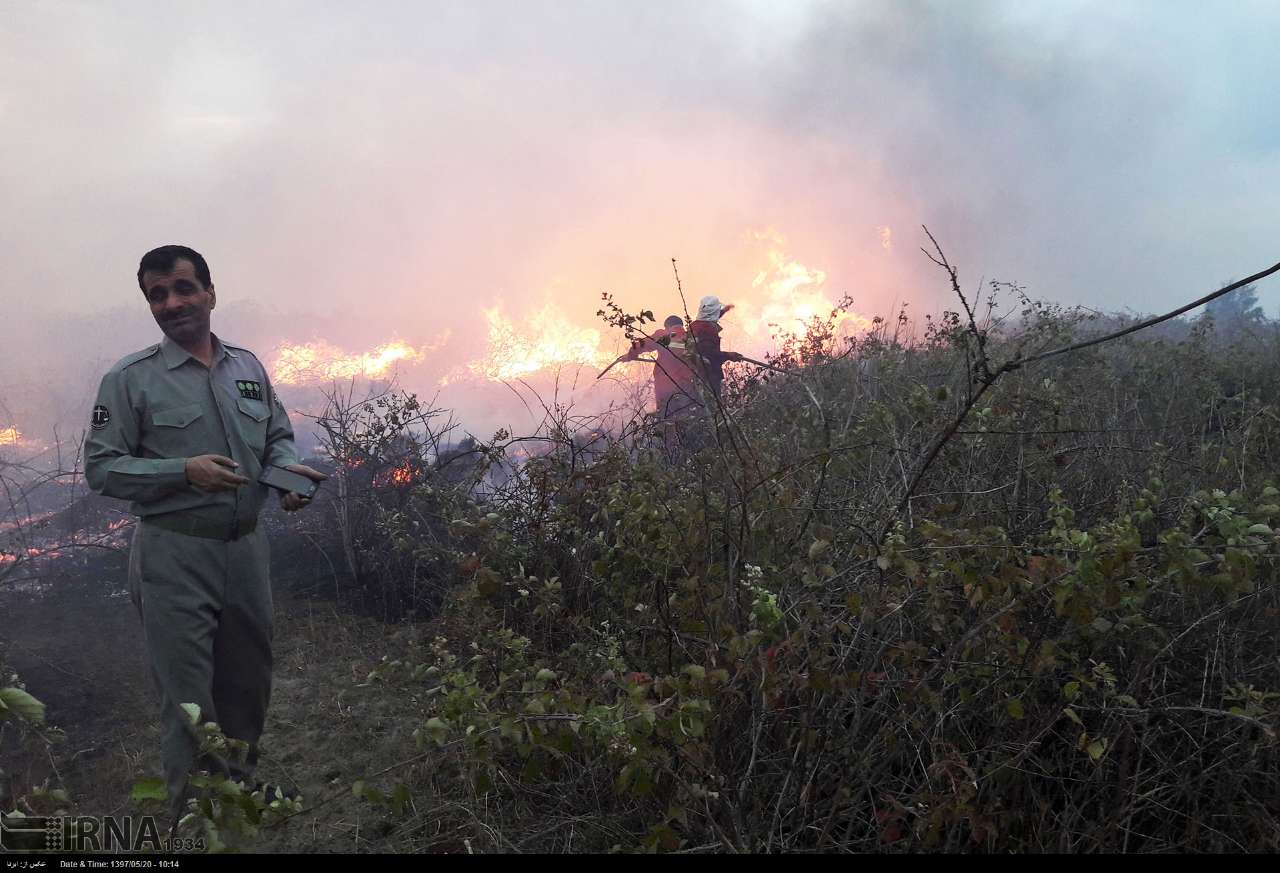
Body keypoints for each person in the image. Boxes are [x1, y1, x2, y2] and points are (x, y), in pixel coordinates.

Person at [84, 245, 326, 821]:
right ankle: (197, 824)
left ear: (211, 293)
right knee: (191, 702)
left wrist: (287, 477)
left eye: (183, 288)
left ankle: (237, 794)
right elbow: (101, 468)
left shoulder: (248, 369)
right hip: (175, 554)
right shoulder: (129, 379)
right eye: (158, 295)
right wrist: (180, 470)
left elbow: (279, 437)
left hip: (245, 549)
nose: (172, 303)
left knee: (248, 685)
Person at [620, 315, 701, 420]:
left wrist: (630, 356)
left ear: (667, 327)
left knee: (667, 421)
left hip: (665, 390)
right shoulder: (691, 338)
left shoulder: (663, 335)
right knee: (689, 420)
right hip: (688, 388)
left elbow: (640, 345)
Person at [688, 295, 744, 402]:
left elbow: (711, 316)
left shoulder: (695, 325)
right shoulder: (707, 329)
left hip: (695, 374)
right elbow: (709, 354)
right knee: (714, 405)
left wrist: (724, 310)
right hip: (709, 374)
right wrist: (729, 355)